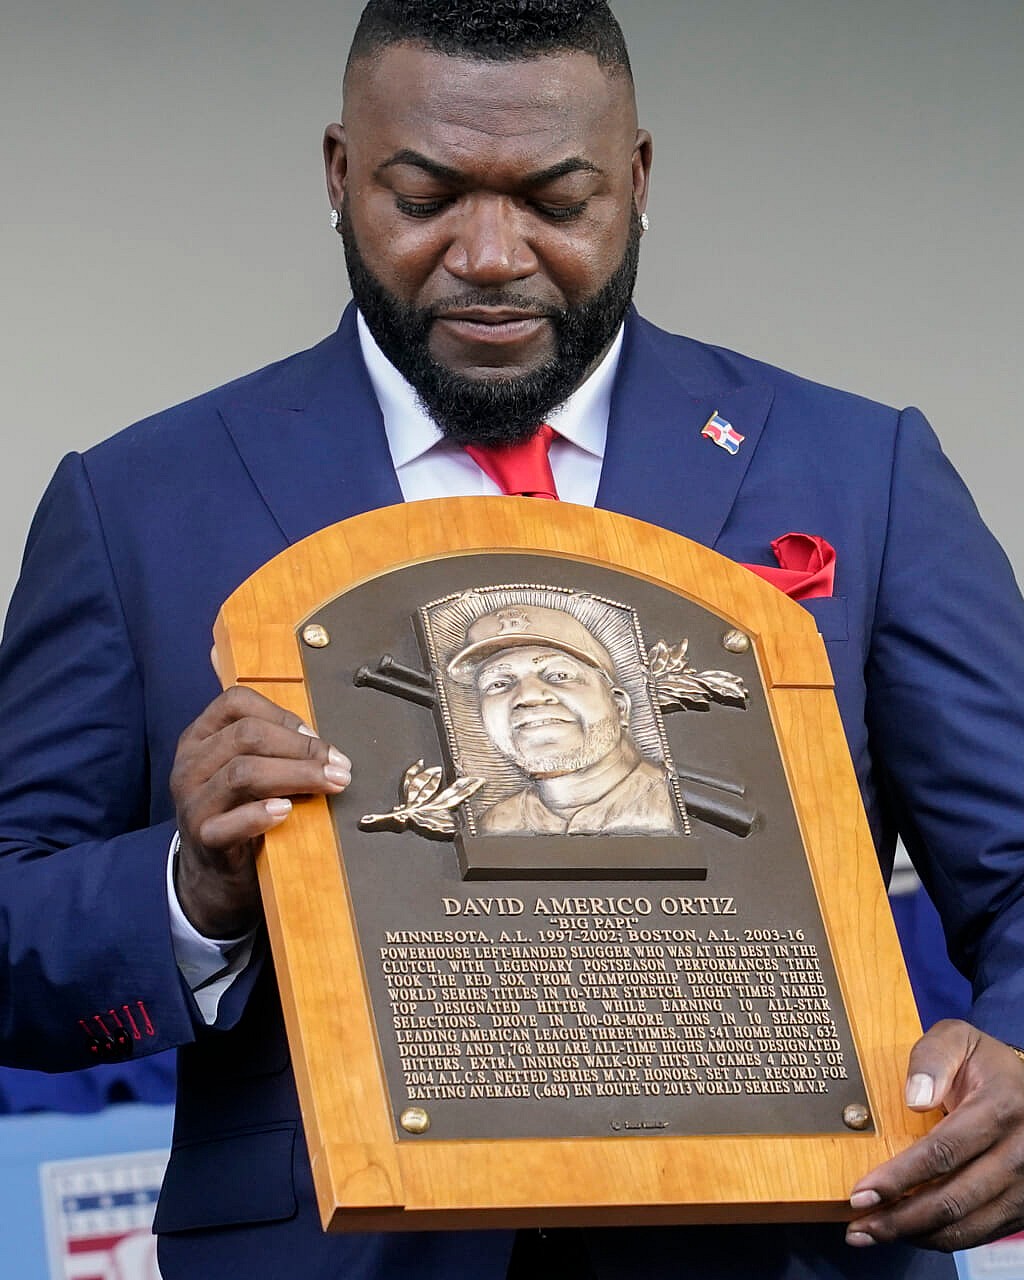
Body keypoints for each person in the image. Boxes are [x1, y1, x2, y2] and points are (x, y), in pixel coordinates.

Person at [2, 1, 1024, 1276]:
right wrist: (189, 891)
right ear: (338, 174)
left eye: (555, 198)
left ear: (638, 179)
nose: (489, 254)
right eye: (424, 195)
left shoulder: (859, 470)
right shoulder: (138, 504)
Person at [447, 603, 683, 836]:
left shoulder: (678, 805)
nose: (528, 696)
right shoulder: (494, 824)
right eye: (498, 684)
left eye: (559, 675)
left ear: (619, 706)